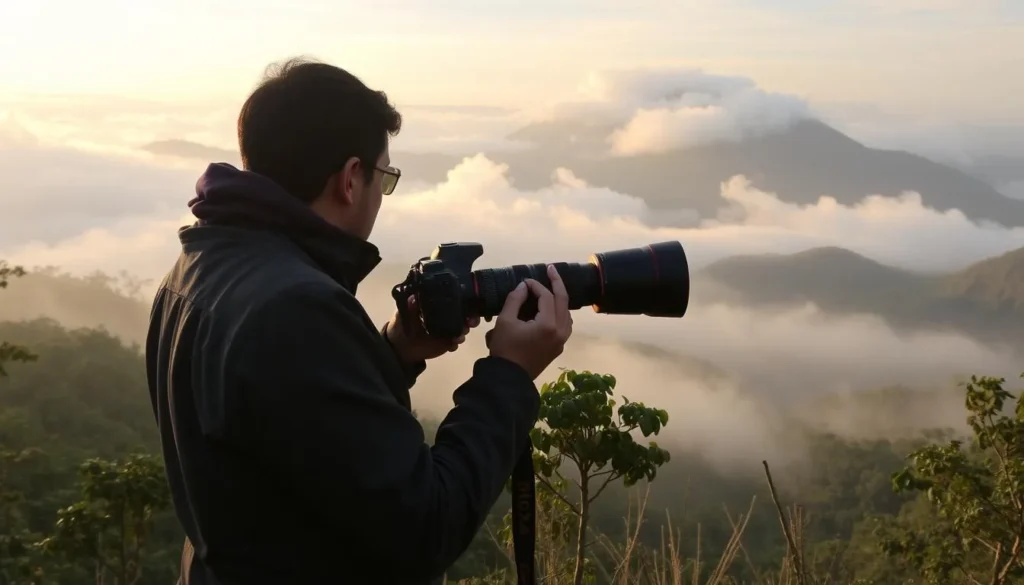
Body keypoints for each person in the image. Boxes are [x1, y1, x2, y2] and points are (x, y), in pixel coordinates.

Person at [145, 57, 573, 585]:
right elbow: (425, 525)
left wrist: (393, 351)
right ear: (351, 178)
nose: (380, 195)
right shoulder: (296, 308)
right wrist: (508, 375)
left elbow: (290, 432)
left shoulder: (193, 270)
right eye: (384, 177)